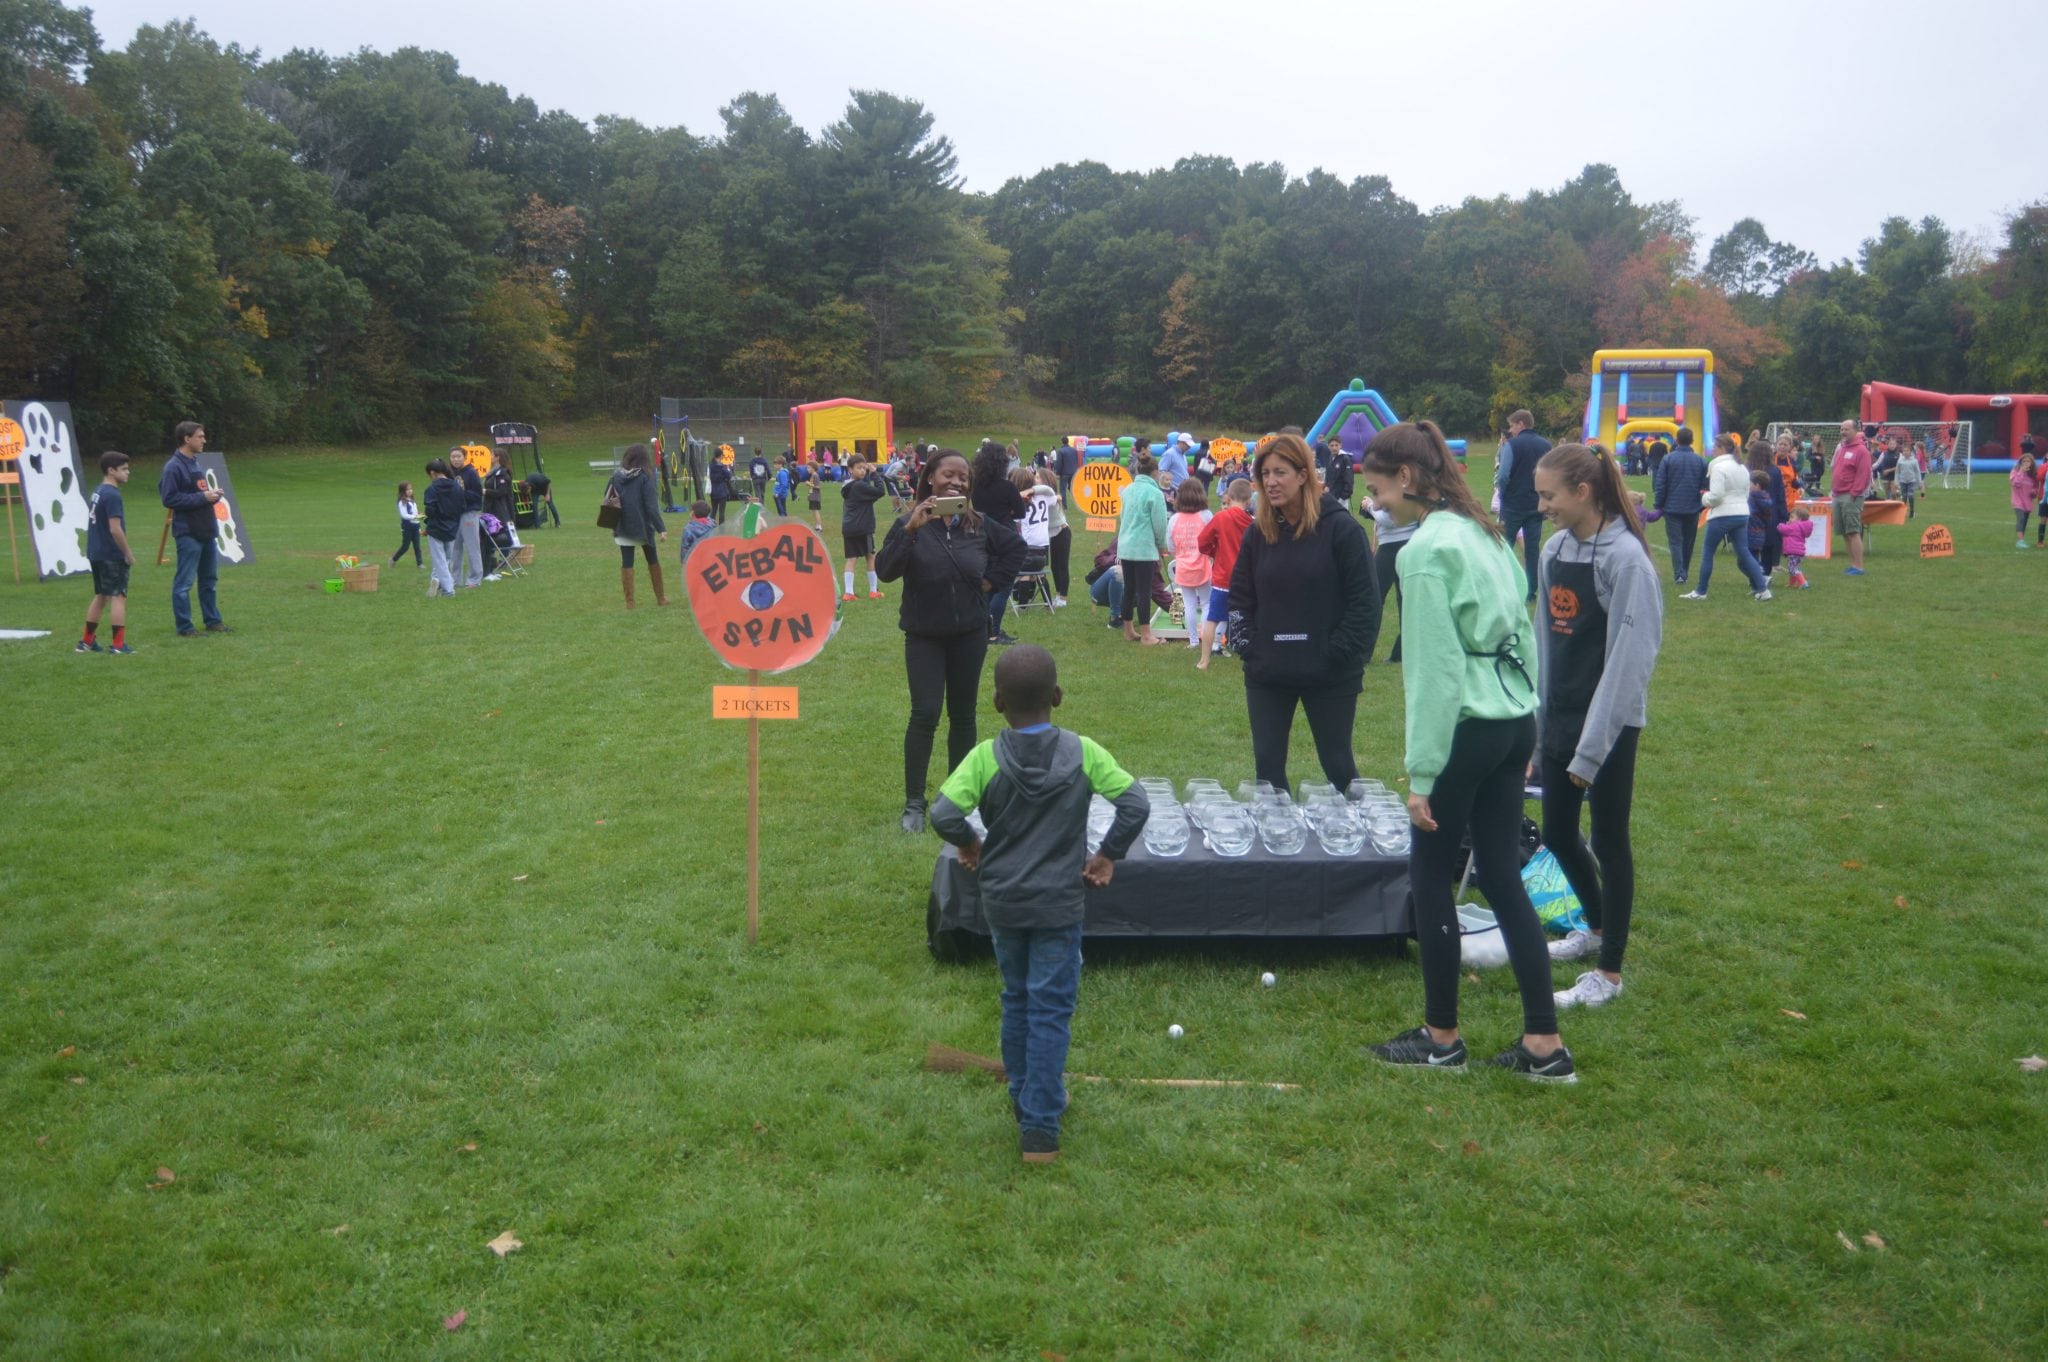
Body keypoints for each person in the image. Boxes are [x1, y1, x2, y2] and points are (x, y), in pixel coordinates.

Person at [1360, 421, 1573, 1083]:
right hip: (1513, 723)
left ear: (1409, 479)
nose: (1375, 504)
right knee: (1504, 879)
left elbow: (1433, 672)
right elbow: (1523, 631)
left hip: (1470, 727)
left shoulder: (1424, 551)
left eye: (1377, 491)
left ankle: (1441, 1036)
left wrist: (1423, 774)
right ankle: (1544, 1044)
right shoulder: (1485, 531)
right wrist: (1530, 722)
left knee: (1430, 877)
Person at [928, 644, 1149, 1165]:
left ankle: (1025, 1100)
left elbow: (942, 812)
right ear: (1058, 696)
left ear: (998, 702)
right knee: (1049, 1010)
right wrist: (1106, 856)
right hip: (1058, 907)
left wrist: (969, 844)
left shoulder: (984, 757)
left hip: (1003, 903)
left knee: (1017, 1000)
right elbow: (1135, 803)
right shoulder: (1084, 751)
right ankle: (1040, 1129)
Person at [1532, 443, 1664, 1011]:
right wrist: (1541, 732)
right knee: (1559, 834)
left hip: (1608, 727)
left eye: (1548, 495)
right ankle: (1596, 927)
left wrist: (1589, 754)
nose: (1541, 507)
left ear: (1583, 493)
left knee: (1609, 842)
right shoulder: (1552, 550)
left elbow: (1629, 665)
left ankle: (1609, 974)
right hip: (1560, 718)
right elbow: (1544, 643)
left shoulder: (1626, 560)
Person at [876, 449, 1024, 834]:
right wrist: (911, 529)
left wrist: (990, 582)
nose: (956, 482)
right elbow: (885, 571)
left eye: (963, 478)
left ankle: (957, 798)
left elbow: (1016, 550)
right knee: (924, 713)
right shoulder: (908, 523)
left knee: (963, 717)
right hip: (924, 636)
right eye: (948, 475)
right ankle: (914, 804)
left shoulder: (980, 525)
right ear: (929, 479)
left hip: (969, 634)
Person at [1227, 432, 1379, 792]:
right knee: (1267, 770)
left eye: (1280, 472)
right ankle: (1273, 843)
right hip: (1268, 670)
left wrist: (1335, 653)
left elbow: (1366, 604)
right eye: (1264, 474)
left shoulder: (1341, 529)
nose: (1271, 482)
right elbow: (1239, 597)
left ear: (1304, 475)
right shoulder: (1258, 533)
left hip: (1329, 672)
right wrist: (1249, 646)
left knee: (1338, 764)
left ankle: (1353, 843)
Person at [159, 420, 230, 636]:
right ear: (186, 439)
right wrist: (202, 497)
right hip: (188, 532)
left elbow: (197, 494)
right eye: (200, 436)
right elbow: (169, 498)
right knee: (184, 582)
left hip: (206, 529)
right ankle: (185, 626)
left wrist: (211, 496)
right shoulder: (173, 467)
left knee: (209, 580)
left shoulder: (195, 463)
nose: (204, 440)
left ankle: (213, 621)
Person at [1682, 435, 1772, 602]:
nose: (1712, 449)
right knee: (1744, 552)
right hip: (1742, 514)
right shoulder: (1741, 467)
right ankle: (1762, 589)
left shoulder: (1718, 468)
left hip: (1722, 515)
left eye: (1715, 446)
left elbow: (1716, 496)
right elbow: (1746, 493)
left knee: (1708, 551)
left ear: (1722, 448)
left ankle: (1701, 591)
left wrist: (1704, 499)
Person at [970, 441, 1028, 643]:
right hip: (1005, 536)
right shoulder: (1007, 487)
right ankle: (994, 631)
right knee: (1003, 587)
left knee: (987, 584)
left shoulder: (976, 487)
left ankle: (984, 627)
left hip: (984, 534)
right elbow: (1021, 512)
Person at [1194, 478, 1253, 668]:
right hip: (1245, 580)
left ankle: (1204, 660)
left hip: (1222, 580)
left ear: (1228, 497)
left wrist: (1215, 553)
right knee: (1251, 618)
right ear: (1249, 501)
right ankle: (1253, 654)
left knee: (1212, 619)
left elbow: (1202, 542)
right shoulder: (1252, 523)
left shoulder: (1220, 517)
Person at [80, 452, 135, 654]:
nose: (128, 472)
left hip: (96, 551)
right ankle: (119, 645)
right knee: (118, 596)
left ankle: (86, 641)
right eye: (124, 469)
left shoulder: (98, 490)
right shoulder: (112, 494)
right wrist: (127, 552)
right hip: (111, 553)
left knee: (101, 595)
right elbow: (115, 528)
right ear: (111, 470)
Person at [1493, 409, 1551, 602]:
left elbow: (1503, 475)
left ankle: (1504, 586)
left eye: (1512, 425)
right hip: (1536, 504)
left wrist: (1502, 493)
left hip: (1513, 504)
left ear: (1521, 424)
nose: (1510, 430)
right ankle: (1531, 591)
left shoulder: (1512, 445)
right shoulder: (1546, 445)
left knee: (1504, 546)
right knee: (1532, 548)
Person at [1114, 450, 1171, 644]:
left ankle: (1129, 631)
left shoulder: (1128, 490)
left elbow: (1123, 517)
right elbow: (1160, 524)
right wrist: (1161, 544)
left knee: (1129, 589)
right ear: (1155, 472)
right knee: (1145, 591)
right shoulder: (1155, 493)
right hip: (1144, 548)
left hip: (1126, 546)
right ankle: (1146, 635)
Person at [608, 444, 666, 608]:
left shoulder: (616, 476)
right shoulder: (645, 477)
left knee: (627, 562)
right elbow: (651, 506)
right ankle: (660, 598)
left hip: (622, 525)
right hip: (643, 527)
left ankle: (630, 602)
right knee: (652, 560)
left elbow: (609, 499)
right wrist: (661, 528)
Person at [1363, 489, 1416, 664]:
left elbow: (1390, 519)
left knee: (1374, 600)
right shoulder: (1405, 483)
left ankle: (1363, 652)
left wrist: (1369, 506)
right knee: (1404, 601)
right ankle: (1402, 652)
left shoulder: (1397, 486)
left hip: (1392, 548)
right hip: (1404, 543)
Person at [1651, 428, 1707, 585]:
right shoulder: (1700, 460)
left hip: (1672, 507)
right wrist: (1701, 504)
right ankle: (1684, 571)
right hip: (1692, 507)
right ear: (1692, 440)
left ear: (1676, 440)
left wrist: (1658, 504)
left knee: (1675, 541)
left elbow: (1661, 484)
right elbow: (1705, 484)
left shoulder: (1668, 460)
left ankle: (1679, 573)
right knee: (1688, 541)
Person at [1167, 476, 1214, 651]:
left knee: (1189, 604)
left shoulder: (1174, 519)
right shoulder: (1206, 515)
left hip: (1183, 567)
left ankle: (1193, 640)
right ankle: (1206, 637)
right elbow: (1214, 537)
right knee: (1207, 603)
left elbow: (1170, 544)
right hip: (1202, 566)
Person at [840, 459, 889, 601]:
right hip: (862, 527)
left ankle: (848, 593)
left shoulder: (849, 486)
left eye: (864, 468)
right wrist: (874, 474)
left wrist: (868, 476)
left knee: (851, 559)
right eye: (859, 468)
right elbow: (880, 491)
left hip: (849, 527)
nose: (862, 470)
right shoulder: (859, 487)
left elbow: (868, 495)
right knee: (870, 556)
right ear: (850, 469)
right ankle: (873, 591)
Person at [1831, 419, 1873, 574]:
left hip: (1850, 495)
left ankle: (1859, 566)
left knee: (1853, 531)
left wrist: (1854, 493)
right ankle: (1853, 564)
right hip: (1838, 494)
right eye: (1842, 429)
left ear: (1855, 431)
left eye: (1846, 429)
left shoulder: (1861, 451)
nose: (1843, 432)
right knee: (1844, 532)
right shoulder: (1842, 448)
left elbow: (1864, 474)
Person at [1748, 439, 1790, 578]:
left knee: (1752, 546)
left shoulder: (1747, 470)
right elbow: (1780, 496)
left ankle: (1755, 575)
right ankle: (1765, 574)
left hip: (1751, 513)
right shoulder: (1775, 471)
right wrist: (1784, 515)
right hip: (1770, 513)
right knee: (1768, 546)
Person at [422, 458, 464, 597]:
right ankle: (436, 580)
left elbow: (430, 510)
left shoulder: (432, 489)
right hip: (452, 526)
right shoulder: (457, 486)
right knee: (447, 559)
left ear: (433, 473)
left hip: (436, 527)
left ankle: (448, 589)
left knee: (439, 559)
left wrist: (426, 519)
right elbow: (462, 506)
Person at [1032, 468, 1071, 607]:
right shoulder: (1040, 495)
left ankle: (1063, 598)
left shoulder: (1049, 494)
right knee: (1054, 566)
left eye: (1037, 477)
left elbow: (1048, 492)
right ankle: (1058, 595)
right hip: (1051, 535)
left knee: (1062, 565)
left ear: (1045, 481)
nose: (1034, 480)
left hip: (1062, 532)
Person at [448, 445, 485, 588]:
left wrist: (460, 493)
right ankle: (455, 579)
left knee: (472, 547)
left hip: (468, 514)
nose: (456, 459)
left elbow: (477, 495)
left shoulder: (471, 472)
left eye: (458, 456)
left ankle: (474, 579)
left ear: (464, 457)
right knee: (454, 548)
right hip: (453, 515)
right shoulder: (450, 473)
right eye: (453, 457)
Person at [1777, 506, 1814, 588]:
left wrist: (1780, 524)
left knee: (1792, 569)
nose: (1790, 519)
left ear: (1799, 519)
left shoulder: (1795, 526)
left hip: (1793, 551)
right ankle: (1792, 584)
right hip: (1798, 552)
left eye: (1792, 517)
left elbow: (1783, 529)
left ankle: (1803, 583)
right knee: (1793, 567)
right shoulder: (1801, 527)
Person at [2013, 450, 2043, 549]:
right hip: (2018, 502)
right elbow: (2015, 484)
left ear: (2032, 463)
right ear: (2021, 463)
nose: (2026, 463)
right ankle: (2020, 541)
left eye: (2028, 461)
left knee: (2024, 521)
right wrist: (2021, 472)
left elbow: (2035, 489)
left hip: (2027, 502)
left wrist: (2034, 492)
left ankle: (2021, 540)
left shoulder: (2033, 476)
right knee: (2021, 518)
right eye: (2024, 461)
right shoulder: (2015, 472)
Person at [391, 482, 423, 568]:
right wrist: (415, 516)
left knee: (417, 546)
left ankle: (420, 564)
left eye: (411, 489)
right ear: (402, 491)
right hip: (407, 527)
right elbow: (404, 515)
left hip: (415, 527)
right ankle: (394, 559)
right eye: (407, 489)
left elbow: (416, 514)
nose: (410, 491)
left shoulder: (413, 501)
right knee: (405, 546)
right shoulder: (402, 502)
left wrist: (419, 526)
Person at [1896, 434, 1925, 520]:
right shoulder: (1900, 461)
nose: (1905, 452)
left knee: (1911, 495)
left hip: (1912, 481)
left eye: (1907, 451)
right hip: (1903, 481)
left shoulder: (1914, 461)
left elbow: (1917, 472)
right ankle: (1903, 511)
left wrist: (1919, 482)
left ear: (1910, 452)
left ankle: (1912, 511)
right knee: (1904, 496)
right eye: (1904, 451)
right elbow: (1897, 472)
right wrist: (1896, 482)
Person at [709, 455, 734, 524]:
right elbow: (729, 476)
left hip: (713, 490)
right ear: (720, 456)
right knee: (721, 511)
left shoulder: (710, 466)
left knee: (713, 510)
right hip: (722, 491)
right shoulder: (722, 467)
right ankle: (721, 527)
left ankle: (710, 525)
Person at [806, 464, 823, 530]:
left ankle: (819, 526)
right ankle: (817, 525)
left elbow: (818, 487)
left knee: (816, 511)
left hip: (815, 497)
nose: (807, 469)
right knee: (813, 511)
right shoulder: (812, 475)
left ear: (813, 468)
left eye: (808, 468)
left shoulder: (815, 475)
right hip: (812, 496)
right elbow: (812, 486)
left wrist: (809, 484)